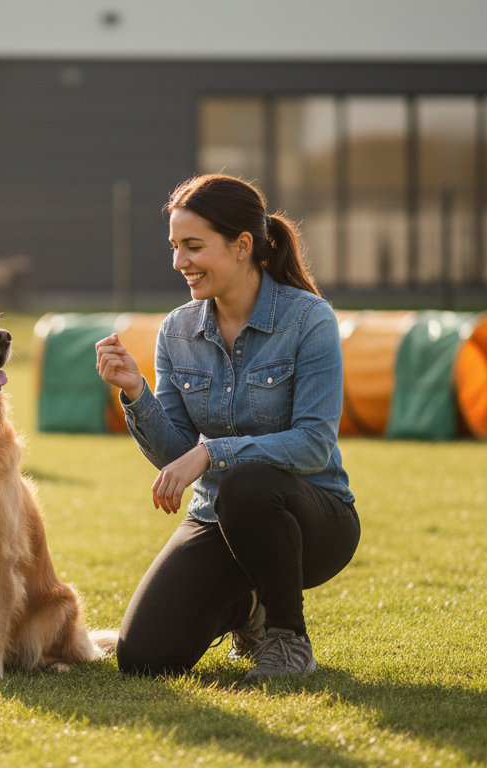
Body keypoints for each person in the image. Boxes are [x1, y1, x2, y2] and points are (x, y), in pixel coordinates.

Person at [95, 174, 359, 682]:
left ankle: (287, 638)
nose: (179, 262)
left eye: (193, 246)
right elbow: (176, 453)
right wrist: (135, 393)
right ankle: (247, 609)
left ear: (242, 246)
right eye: (175, 247)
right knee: (144, 657)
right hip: (217, 517)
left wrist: (213, 452)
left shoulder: (310, 320)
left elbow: (313, 443)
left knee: (247, 482)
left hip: (313, 521)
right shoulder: (176, 330)